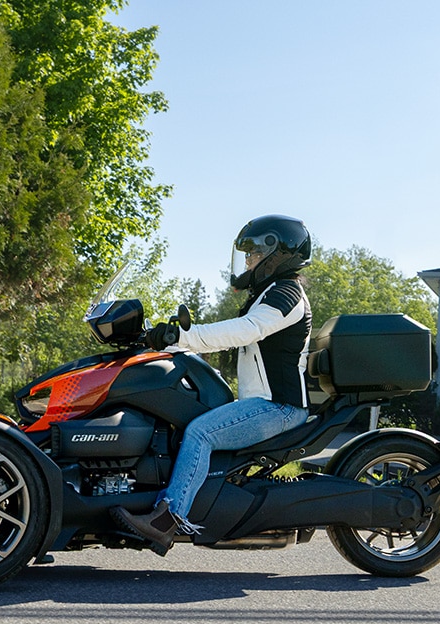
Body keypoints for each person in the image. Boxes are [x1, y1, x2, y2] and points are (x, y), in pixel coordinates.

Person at [111, 214, 313, 555]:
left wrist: (182, 336)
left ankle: (167, 520)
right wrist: (165, 342)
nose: (247, 261)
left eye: (253, 253)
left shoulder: (286, 294)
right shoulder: (268, 294)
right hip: (263, 403)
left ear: (276, 253)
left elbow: (245, 330)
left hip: (280, 407)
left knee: (201, 432)